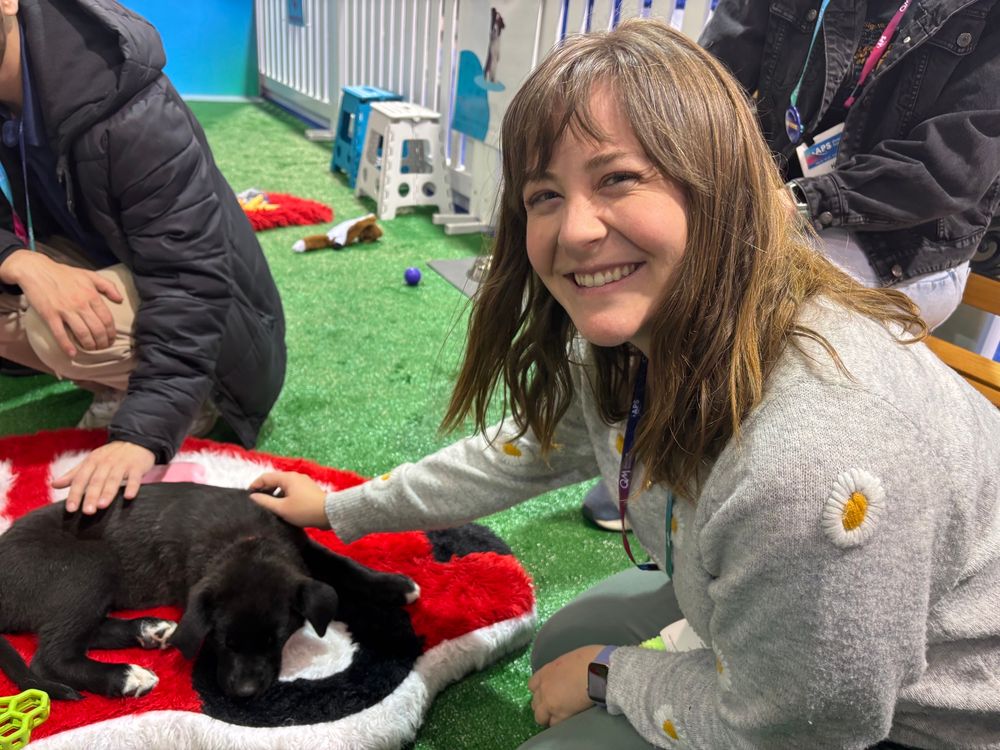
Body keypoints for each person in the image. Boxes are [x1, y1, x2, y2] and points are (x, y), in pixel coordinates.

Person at [249, 19, 1000, 749]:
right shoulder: (635, 337)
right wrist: (345, 507)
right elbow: (526, 449)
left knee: (576, 685)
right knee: (563, 645)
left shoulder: (814, 465)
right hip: (814, 646)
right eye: (544, 195)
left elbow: (804, 727)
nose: (574, 231)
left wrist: (617, 677)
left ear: (722, 184)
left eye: (619, 178)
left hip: (917, 721)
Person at [584, 0, 1000, 535]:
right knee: (674, 264)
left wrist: (795, 201)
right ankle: (664, 456)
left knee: (741, 303)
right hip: (778, 197)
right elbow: (713, 70)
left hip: (904, 245)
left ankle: (709, 481)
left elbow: (948, 168)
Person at [0, 0, 286, 514]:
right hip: (106, 261)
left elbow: (191, 278)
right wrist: (21, 261)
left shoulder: (130, 106)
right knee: (22, 288)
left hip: (221, 329)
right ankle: (111, 374)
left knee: (49, 329)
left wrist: (144, 431)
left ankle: (188, 403)